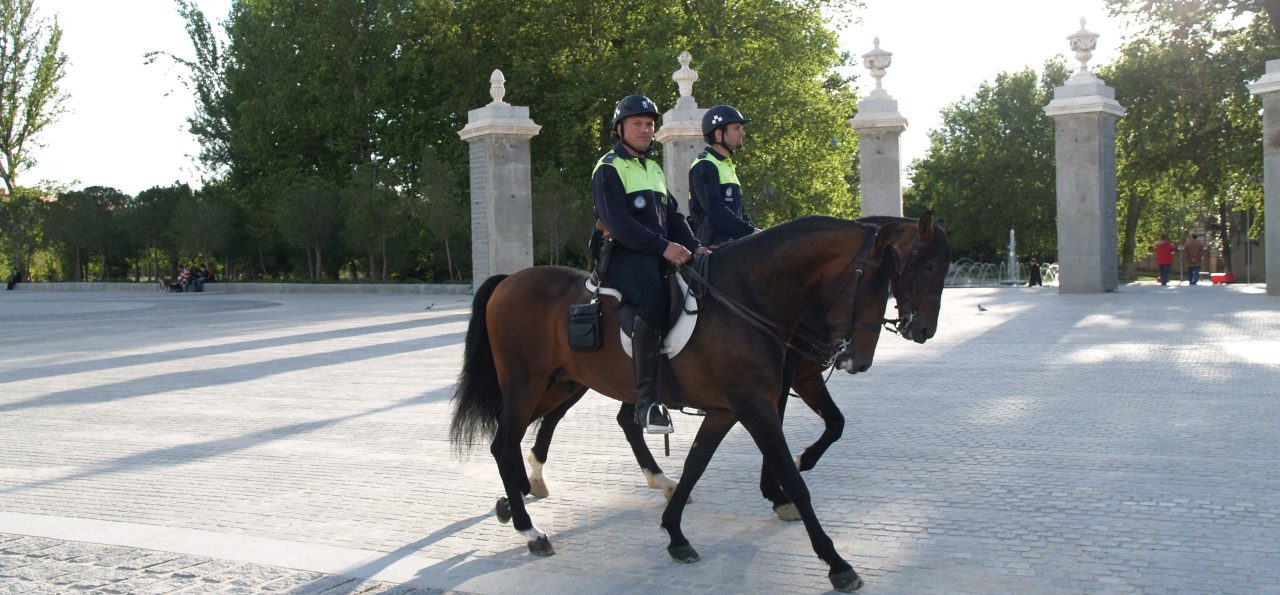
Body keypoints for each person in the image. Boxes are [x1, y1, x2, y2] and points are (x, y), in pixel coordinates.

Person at [592, 94, 708, 434]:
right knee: (654, 297)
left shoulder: (652, 168)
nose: (645, 130)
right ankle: (646, 403)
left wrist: (695, 247)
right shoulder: (609, 168)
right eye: (637, 124)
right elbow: (620, 222)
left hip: (657, 251)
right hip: (622, 255)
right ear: (620, 129)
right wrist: (663, 248)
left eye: (648, 125)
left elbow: (673, 216)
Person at [688, 105, 760, 247]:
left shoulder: (727, 165)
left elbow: (740, 213)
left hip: (733, 240)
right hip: (714, 244)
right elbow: (714, 209)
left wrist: (758, 231)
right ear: (719, 134)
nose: (742, 133)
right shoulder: (705, 164)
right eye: (737, 128)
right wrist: (749, 230)